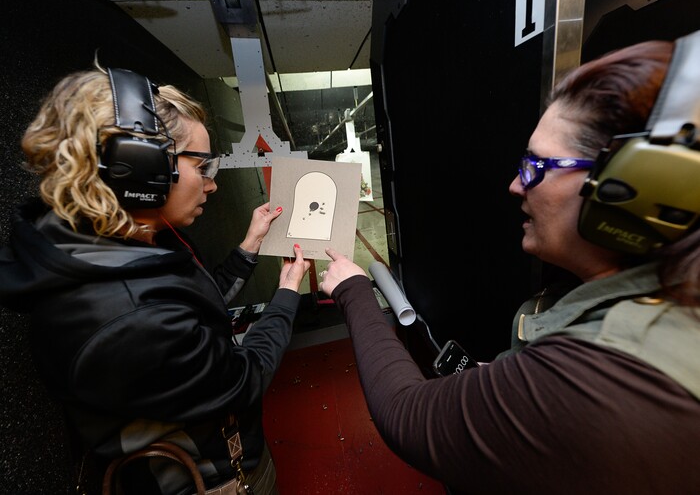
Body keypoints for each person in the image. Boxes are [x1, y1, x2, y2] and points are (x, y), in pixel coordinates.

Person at [317, 33, 700, 493]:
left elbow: (404, 412)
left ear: (629, 190)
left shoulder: (604, 377)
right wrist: (515, 384)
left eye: (536, 167)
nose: (516, 186)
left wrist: (353, 287)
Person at [0, 64, 310, 494]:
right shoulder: (131, 316)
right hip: (215, 483)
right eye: (201, 166)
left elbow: (197, 310)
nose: (210, 184)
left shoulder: (118, 248)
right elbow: (244, 378)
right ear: (141, 167)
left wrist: (248, 248)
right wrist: (287, 294)